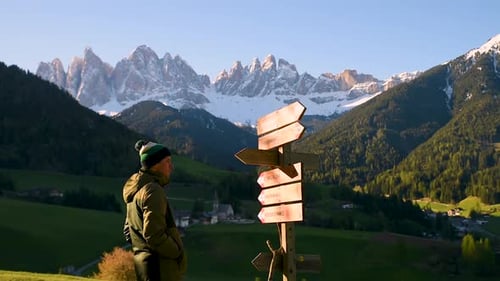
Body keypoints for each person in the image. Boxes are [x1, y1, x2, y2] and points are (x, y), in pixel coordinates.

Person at [123, 140, 187, 281]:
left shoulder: (135, 191)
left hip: (144, 268)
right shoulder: (153, 190)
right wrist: (176, 251)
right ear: (155, 165)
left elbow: (129, 231)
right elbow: (154, 234)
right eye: (167, 162)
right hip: (161, 270)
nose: (171, 167)